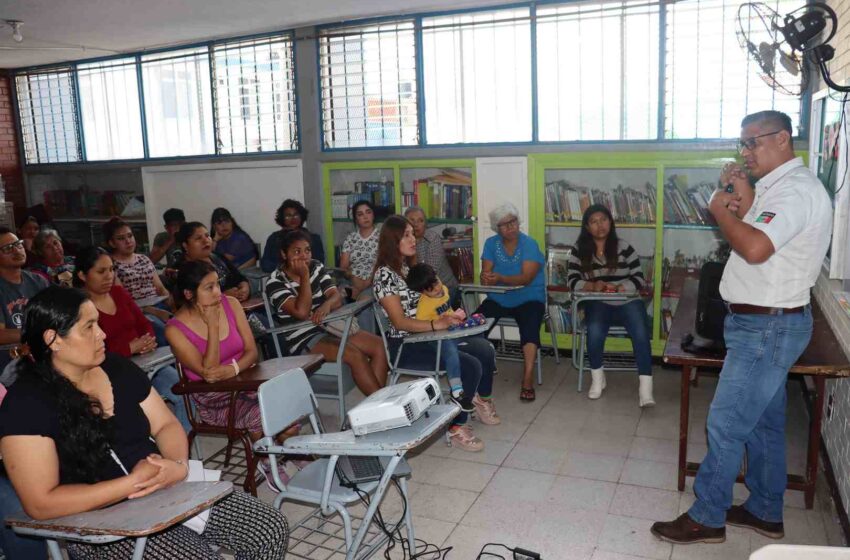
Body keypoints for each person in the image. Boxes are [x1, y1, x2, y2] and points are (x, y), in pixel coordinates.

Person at [651, 110, 833, 544]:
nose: (745, 151)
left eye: (754, 142)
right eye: (743, 144)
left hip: (767, 327)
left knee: (726, 423)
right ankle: (765, 510)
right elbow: (764, 233)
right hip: (763, 322)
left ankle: (707, 516)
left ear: (784, 139)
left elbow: (753, 247)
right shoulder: (780, 188)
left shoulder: (795, 191)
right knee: (763, 422)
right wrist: (745, 195)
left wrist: (719, 210)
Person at [0, 286, 289, 559]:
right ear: (54, 339)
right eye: (88, 327)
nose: (102, 334)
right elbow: (41, 503)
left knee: (269, 529)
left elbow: (165, 425)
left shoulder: (115, 367)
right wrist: (132, 484)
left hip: (161, 488)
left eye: (98, 323)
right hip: (100, 522)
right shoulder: (25, 404)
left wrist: (176, 466)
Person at [166, 261, 300, 485]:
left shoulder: (232, 304)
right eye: (209, 288)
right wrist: (213, 326)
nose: (218, 292)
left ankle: (289, 452)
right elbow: (209, 374)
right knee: (262, 416)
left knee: (290, 410)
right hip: (215, 398)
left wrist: (232, 369)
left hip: (247, 380)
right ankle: (267, 460)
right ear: (189, 294)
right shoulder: (174, 329)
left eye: (217, 285)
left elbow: (251, 352)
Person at [373, 215, 499, 453]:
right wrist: (436, 325)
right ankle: (456, 425)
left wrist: (448, 319)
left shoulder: (406, 267)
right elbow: (399, 322)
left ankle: (476, 400)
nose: (413, 238)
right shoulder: (384, 276)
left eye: (413, 233)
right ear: (393, 241)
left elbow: (431, 302)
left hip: (431, 336)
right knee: (470, 366)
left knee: (483, 348)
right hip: (407, 344)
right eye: (407, 235)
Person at [74, 246, 190, 433]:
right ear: (82, 275)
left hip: (147, 361)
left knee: (184, 391)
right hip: (109, 372)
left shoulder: (119, 294)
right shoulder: (78, 307)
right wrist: (128, 348)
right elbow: (88, 350)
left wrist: (147, 341)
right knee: (137, 409)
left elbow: (143, 323)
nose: (109, 276)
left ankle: (182, 447)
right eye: (101, 271)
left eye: (112, 270)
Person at [266, 229, 388, 396]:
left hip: (330, 324)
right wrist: (304, 277)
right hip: (303, 338)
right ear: (284, 254)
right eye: (297, 251)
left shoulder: (316, 266)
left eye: (307, 250)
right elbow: (301, 312)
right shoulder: (275, 282)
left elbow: (335, 297)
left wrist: (326, 306)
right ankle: (381, 405)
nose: (304, 256)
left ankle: (377, 400)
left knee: (379, 345)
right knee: (354, 354)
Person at [567, 204, 654, 407]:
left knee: (641, 331)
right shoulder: (579, 250)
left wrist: (622, 288)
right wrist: (592, 285)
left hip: (627, 301)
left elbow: (639, 278)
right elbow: (571, 281)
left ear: (610, 222)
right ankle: (598, 379)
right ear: (587, 227)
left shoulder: (624, 247)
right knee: (595, 330)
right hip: (598, 301)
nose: (600, 225)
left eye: (604, 220)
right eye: (594, 222)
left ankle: (646, 388)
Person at [475, 202, 546, 402]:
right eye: (505, 224)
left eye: (513, 221)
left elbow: (526, 279)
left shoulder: (529, 244)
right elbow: (485, 273)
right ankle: (481, 363)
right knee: (474, 323)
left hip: (529, 296)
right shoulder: (491, 244)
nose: (510, 227)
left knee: (530, 328)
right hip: (499, 297)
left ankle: (528, 377)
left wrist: (500, 278)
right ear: (497, 228)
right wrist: (486, 277)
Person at [406, 262, 472, 411]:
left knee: (475, 330)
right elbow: (422, 327)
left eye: (436, 282)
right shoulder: (424, 306)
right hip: (435, 337)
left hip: (450, 330)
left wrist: (455, 317)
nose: (436, 289)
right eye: (430, 290)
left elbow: (447, 310)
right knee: (449, 348)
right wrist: (440, 323)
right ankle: (457, 390)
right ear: (422, 292)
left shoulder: (445, 289)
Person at [103, 217, 171, 338]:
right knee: (165, 332)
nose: (128, 241)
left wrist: (174, 307)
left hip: (158, 305)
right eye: (121, 238)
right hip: (136, 312)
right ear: (111, 243)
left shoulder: (143, 259)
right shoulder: (111, 264)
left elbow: (160, 289)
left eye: (130, 236)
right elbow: (123, 300)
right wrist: (153, 311)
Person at [0, 227, 49, 387]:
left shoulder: (38, 281)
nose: (17, 250)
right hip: (11, 356)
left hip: (41, 348)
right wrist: (34, 334)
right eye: (7, 248)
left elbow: (53, 314)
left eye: (18, 244)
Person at [177, 222, 250, 302]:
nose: (205, 241)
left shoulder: (217, 256)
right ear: (185, 246)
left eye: (207, 236)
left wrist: (245, 287)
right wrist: (223, 296)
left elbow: (239, 277)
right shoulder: (181, 270)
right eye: (198, 238)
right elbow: (186, 303)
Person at [404, 206, 459, 301]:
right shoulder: (401, 241)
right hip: (417, 290)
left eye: (421, 221)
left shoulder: (432, 239)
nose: (416, 224)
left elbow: (428, 276)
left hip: (443, 289)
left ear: (426, 224)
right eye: (412, 220)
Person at [260, 199, 325, 272]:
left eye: (296, 215)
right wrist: (287, 269)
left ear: (301, 216)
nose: (293, 219)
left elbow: (319, 263)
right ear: (282, 218)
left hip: (308, 277)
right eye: (288, 216)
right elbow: (265, 264)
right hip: (280, 278)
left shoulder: (314, 238)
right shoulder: (274, 238)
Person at [339, 200, 381, 300]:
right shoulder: (351, 238)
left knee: (363, 301)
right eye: (360, 214)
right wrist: (353, 279)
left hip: (374, 283)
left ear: (373, 215)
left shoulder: (382, 237)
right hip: (352, 282)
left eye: (368, 212)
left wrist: (366, 283)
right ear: (356, 219)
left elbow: (381, 266)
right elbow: (343, 268)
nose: (365, 217)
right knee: (337, 297)